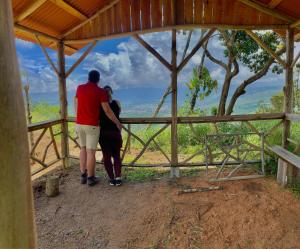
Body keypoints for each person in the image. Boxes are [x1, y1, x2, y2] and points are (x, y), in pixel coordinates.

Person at [74, 70, 122, 186]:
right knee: (91, 152)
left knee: (82, 149)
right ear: (98, 79)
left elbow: (76, 103)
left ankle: (83, 175)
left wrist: (78, 116)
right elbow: (107, 110)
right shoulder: (100, 92)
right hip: (92, 125)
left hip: (79, 124)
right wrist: (117, 123)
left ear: (88, 78)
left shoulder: (79, 88)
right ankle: (91, 178)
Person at [99, 85, 123, 186]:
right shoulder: (117, 103)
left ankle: (111, 179)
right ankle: (118, 177)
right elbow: (119, 114)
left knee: (106, 156)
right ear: (111, 92)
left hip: (103, 133)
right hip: (115, 132)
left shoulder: (99, 105)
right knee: (116, 155)